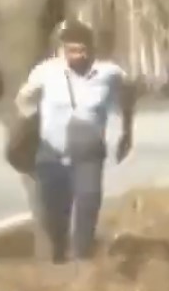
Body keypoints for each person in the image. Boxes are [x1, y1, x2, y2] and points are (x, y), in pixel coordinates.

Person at [14, 19, 135, 264]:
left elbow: (128, 95)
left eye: (82, 50)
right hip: (51, 148)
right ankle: (58, 251)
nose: (77, 56)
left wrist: (127, 131)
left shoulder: (109, 73)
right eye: (71, 50)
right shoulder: (46, 71)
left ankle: (82, 254)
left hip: (88, 147)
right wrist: (27, 122)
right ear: (62, 50)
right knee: (54, 208)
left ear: (91, 49)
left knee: (89, 198)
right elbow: (24, 99)